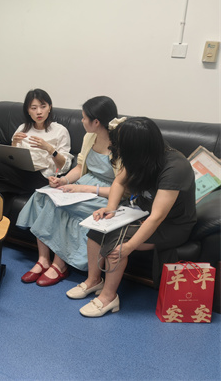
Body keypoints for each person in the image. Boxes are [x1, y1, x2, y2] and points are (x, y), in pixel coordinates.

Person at [73, 117, 196, 317]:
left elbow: (157, 217)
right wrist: (111, 208)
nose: (116, 148)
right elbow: (119, 182)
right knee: (97, 228)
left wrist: (129, 246)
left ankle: (108, 297)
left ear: (136, 146)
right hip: (140, 212)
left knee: (116, 243)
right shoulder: (141, 155)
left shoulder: (175, 168)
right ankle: (93, 280)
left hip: (172, 225)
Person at [16, 96, 121, 286]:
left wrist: (84, 188)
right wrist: (63, 180)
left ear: (96, 122)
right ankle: (43, 259)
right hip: (84, 183)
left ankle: (60, 264)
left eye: (84, 118)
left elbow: (123, 188)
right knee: (43, 195)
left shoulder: (121, 145)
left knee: (63, 206)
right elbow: (80, 167)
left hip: (107, 192)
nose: (81, 121)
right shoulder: (90, 137)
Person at [0, 88, 73, 254]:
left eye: (43, 106)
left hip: (42, 178)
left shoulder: (60, 131)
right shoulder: (23, 128)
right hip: (20, 173)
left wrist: (49, 148)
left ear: (49, 107)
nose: (39, 112)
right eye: (33, 108)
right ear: (28, 111)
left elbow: (64, 166)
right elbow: (11, 156)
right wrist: (14, 143)